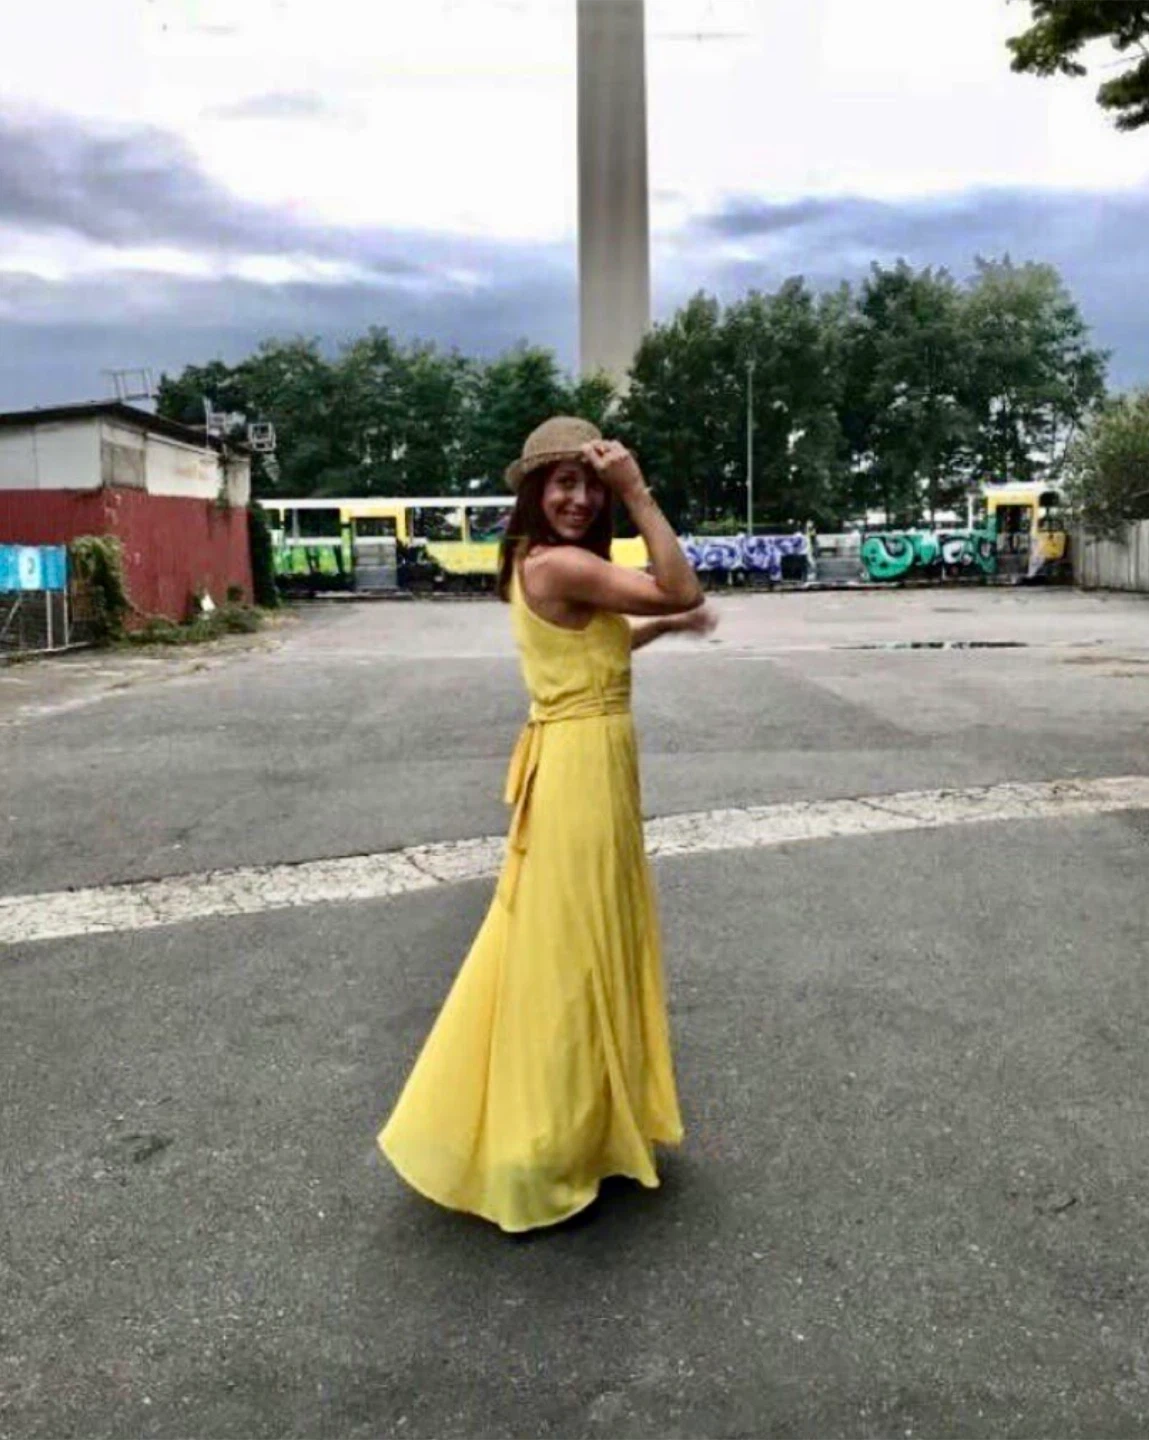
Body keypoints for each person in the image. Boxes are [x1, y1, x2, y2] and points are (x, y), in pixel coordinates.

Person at [377, 416, 715, 1233]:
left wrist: (662, 630)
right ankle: (546, 1145)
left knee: (565, 939)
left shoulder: (541, 565)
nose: (580, 498)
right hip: (579, 771)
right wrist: (637, 491)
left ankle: (579, 1130)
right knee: (574, 948)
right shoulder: (562, 563)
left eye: (592, 485)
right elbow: (683, 587)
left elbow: (591, 651)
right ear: (534, 492)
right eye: (564, 483)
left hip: (578, 761)